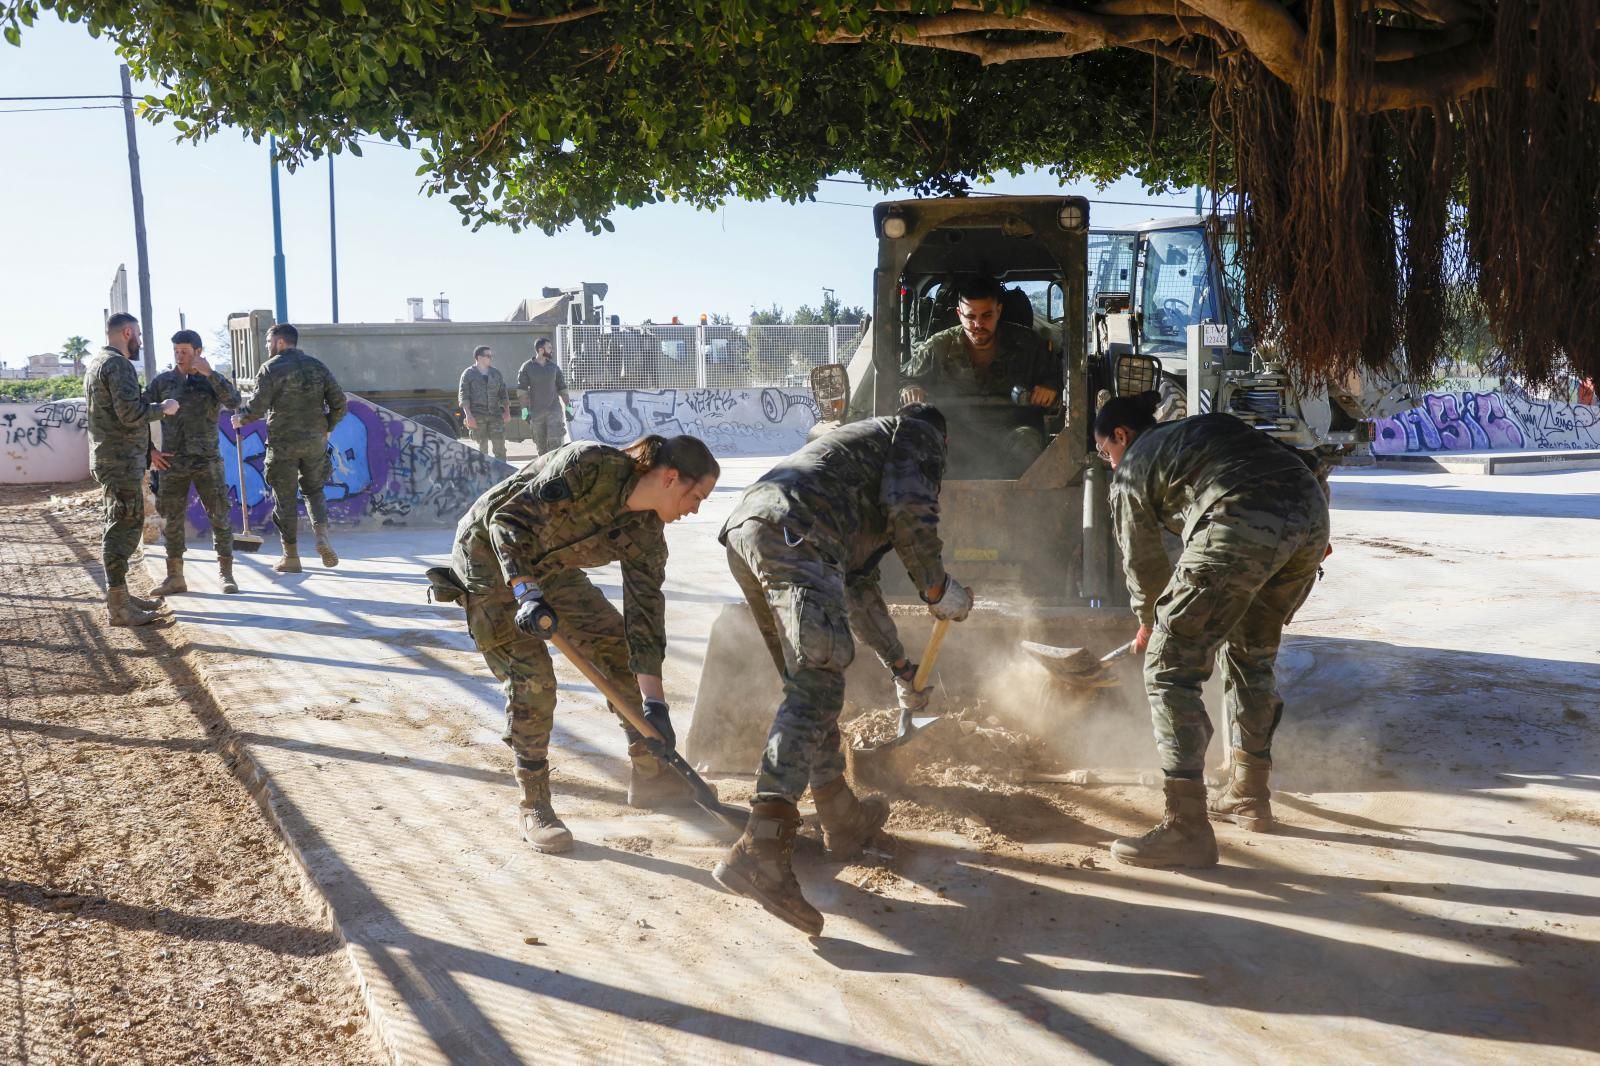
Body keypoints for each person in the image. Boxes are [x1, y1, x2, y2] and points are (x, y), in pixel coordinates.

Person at [712, 403, 974, 935]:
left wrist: (901, 667)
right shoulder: (919, 431)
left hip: (753, 528)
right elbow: (909, 512)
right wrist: (936, 586)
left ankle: (838, 815)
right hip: (796, 533)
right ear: (942, 446)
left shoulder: (854, 466)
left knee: (807, 680)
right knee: (819, 682)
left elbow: (858, 589)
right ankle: (761, 848)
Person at [449, 435, 720, 853]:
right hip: (490, 563)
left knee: (618, 652)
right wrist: (526, 592)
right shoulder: (590, 466)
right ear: (670, 478)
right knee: (534, 682)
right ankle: (534, 805)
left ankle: (652, 777)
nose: (695, 508)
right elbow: (506, 522)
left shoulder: (647, 535)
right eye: (696, 495)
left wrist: (655, 708)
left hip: (551, 569)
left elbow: (645, 624)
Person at [1095, 393, 1330, 868]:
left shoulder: (1133, 465)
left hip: (1240, 514)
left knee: (1167, 666)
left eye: (1105, 452)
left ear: (1121, 436)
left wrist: (1149, 623)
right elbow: (1302, 462)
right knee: (1250, 652)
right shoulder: (1203, 431)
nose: (1109, 462)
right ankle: (1249, 794)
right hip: (1310, 515)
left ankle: (1185, 829)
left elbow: (1142, 559)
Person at [899, 276, 1060, 477]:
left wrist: (1049, 389)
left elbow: (1061, 382)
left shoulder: (1028, 344)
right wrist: (910, 388)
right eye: (970, 316)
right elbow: (902, 378)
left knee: (1027, 446)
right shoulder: (938, 347)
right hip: (957, 434)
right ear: (959, 314)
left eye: (986, 315)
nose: (978, 324)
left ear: (999, 311)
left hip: (1014, 430)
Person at [83, 312, 179, 626]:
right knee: (122, 528)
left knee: (124, 523)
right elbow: (129, 413)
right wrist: (163, 409)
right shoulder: (118, 364)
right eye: (137, 333)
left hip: (114, 458)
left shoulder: (98, 362)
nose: (138, 340)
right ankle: (119, 607)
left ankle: (121, 596)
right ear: (127, 332)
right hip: (120, 461)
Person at [234, 323, 348, 574]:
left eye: (268, 342)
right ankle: (322, 536)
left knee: (284, 499)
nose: (267, 347)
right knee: (314, 490)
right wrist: (326, 426)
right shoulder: (317, 366)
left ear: (281, 342)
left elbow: (256, 408)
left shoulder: (270, 369)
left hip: (283, 444)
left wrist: (239, 419)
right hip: (315, 442)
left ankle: (291, 557)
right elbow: (340, 403)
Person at [145, 330, 243, 595]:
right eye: (176, 351)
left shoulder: (211, 381)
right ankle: (175, 577)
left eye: (185, 351)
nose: (179, 356)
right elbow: (137, 414)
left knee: (219, 516)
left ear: (198, 352)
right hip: (172, 462)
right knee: (172, 519)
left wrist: (211, 374)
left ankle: (226, 575)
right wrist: (150, 450)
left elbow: (235, 401)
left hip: (207, 461)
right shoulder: (163, 382)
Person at [517, 338, 572, 456]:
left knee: (556, 446)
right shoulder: (527, 367)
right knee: (541, 448)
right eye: (549, 348)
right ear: (541, 350)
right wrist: (524, 410)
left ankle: (556, 473)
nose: (552, 350)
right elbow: (522, 391)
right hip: (536, 413)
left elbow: (562, 389)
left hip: (554, 412)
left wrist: (569, 408)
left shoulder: (554, 368)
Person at [458, 345, 511, 461]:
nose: (490, 358)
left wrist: (507, 412)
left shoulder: (496, 373)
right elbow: (463, 396)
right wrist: (469, 416)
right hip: (477, 416)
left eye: (491, 356)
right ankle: (483, 475)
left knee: (500, 448)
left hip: (495, 415)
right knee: (481, 450)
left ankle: (502, 474)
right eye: (487, 355)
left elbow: (503, 393)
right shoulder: (468, 374)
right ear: (479, 357)